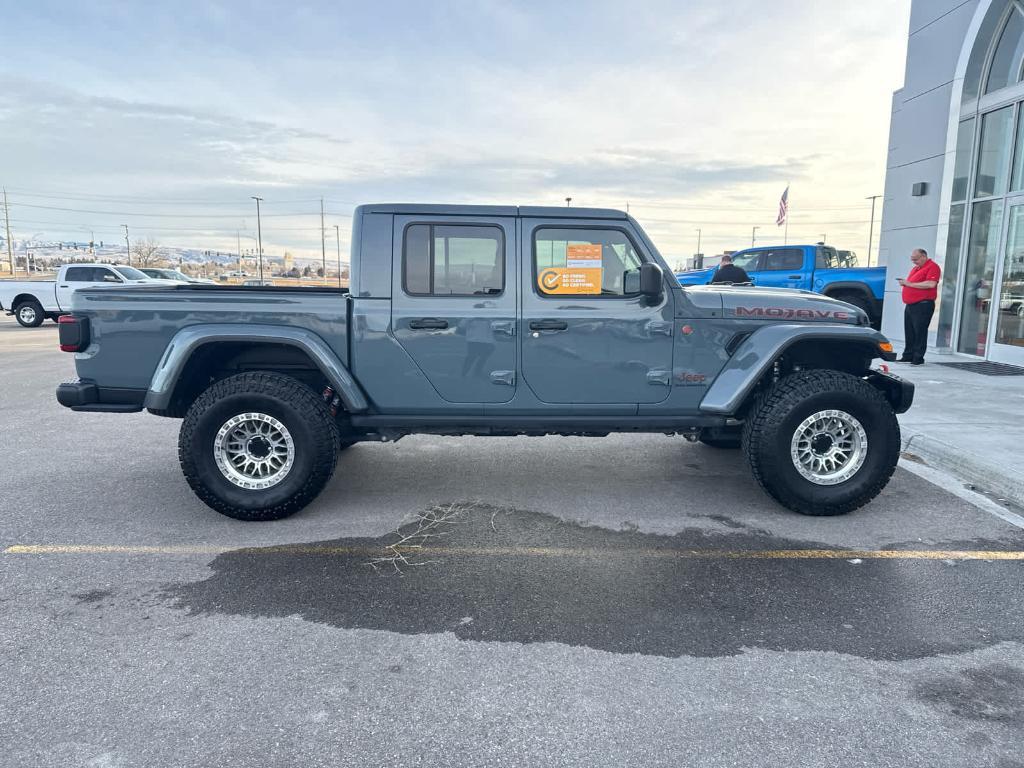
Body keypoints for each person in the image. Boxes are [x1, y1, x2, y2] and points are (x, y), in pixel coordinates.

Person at [896, 248, 941, 365]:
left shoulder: (933, 267)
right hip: (911, 304)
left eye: (916, 259)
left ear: (923, 256)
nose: (914, 262)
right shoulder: (916, 268)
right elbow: (913, 284)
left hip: (923, 304)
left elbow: (931, 284)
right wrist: (905, 284)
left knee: (919, 331)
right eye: (912, 259)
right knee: (909, 331)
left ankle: (918, 357)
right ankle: (908, 355)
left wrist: (908, 283)